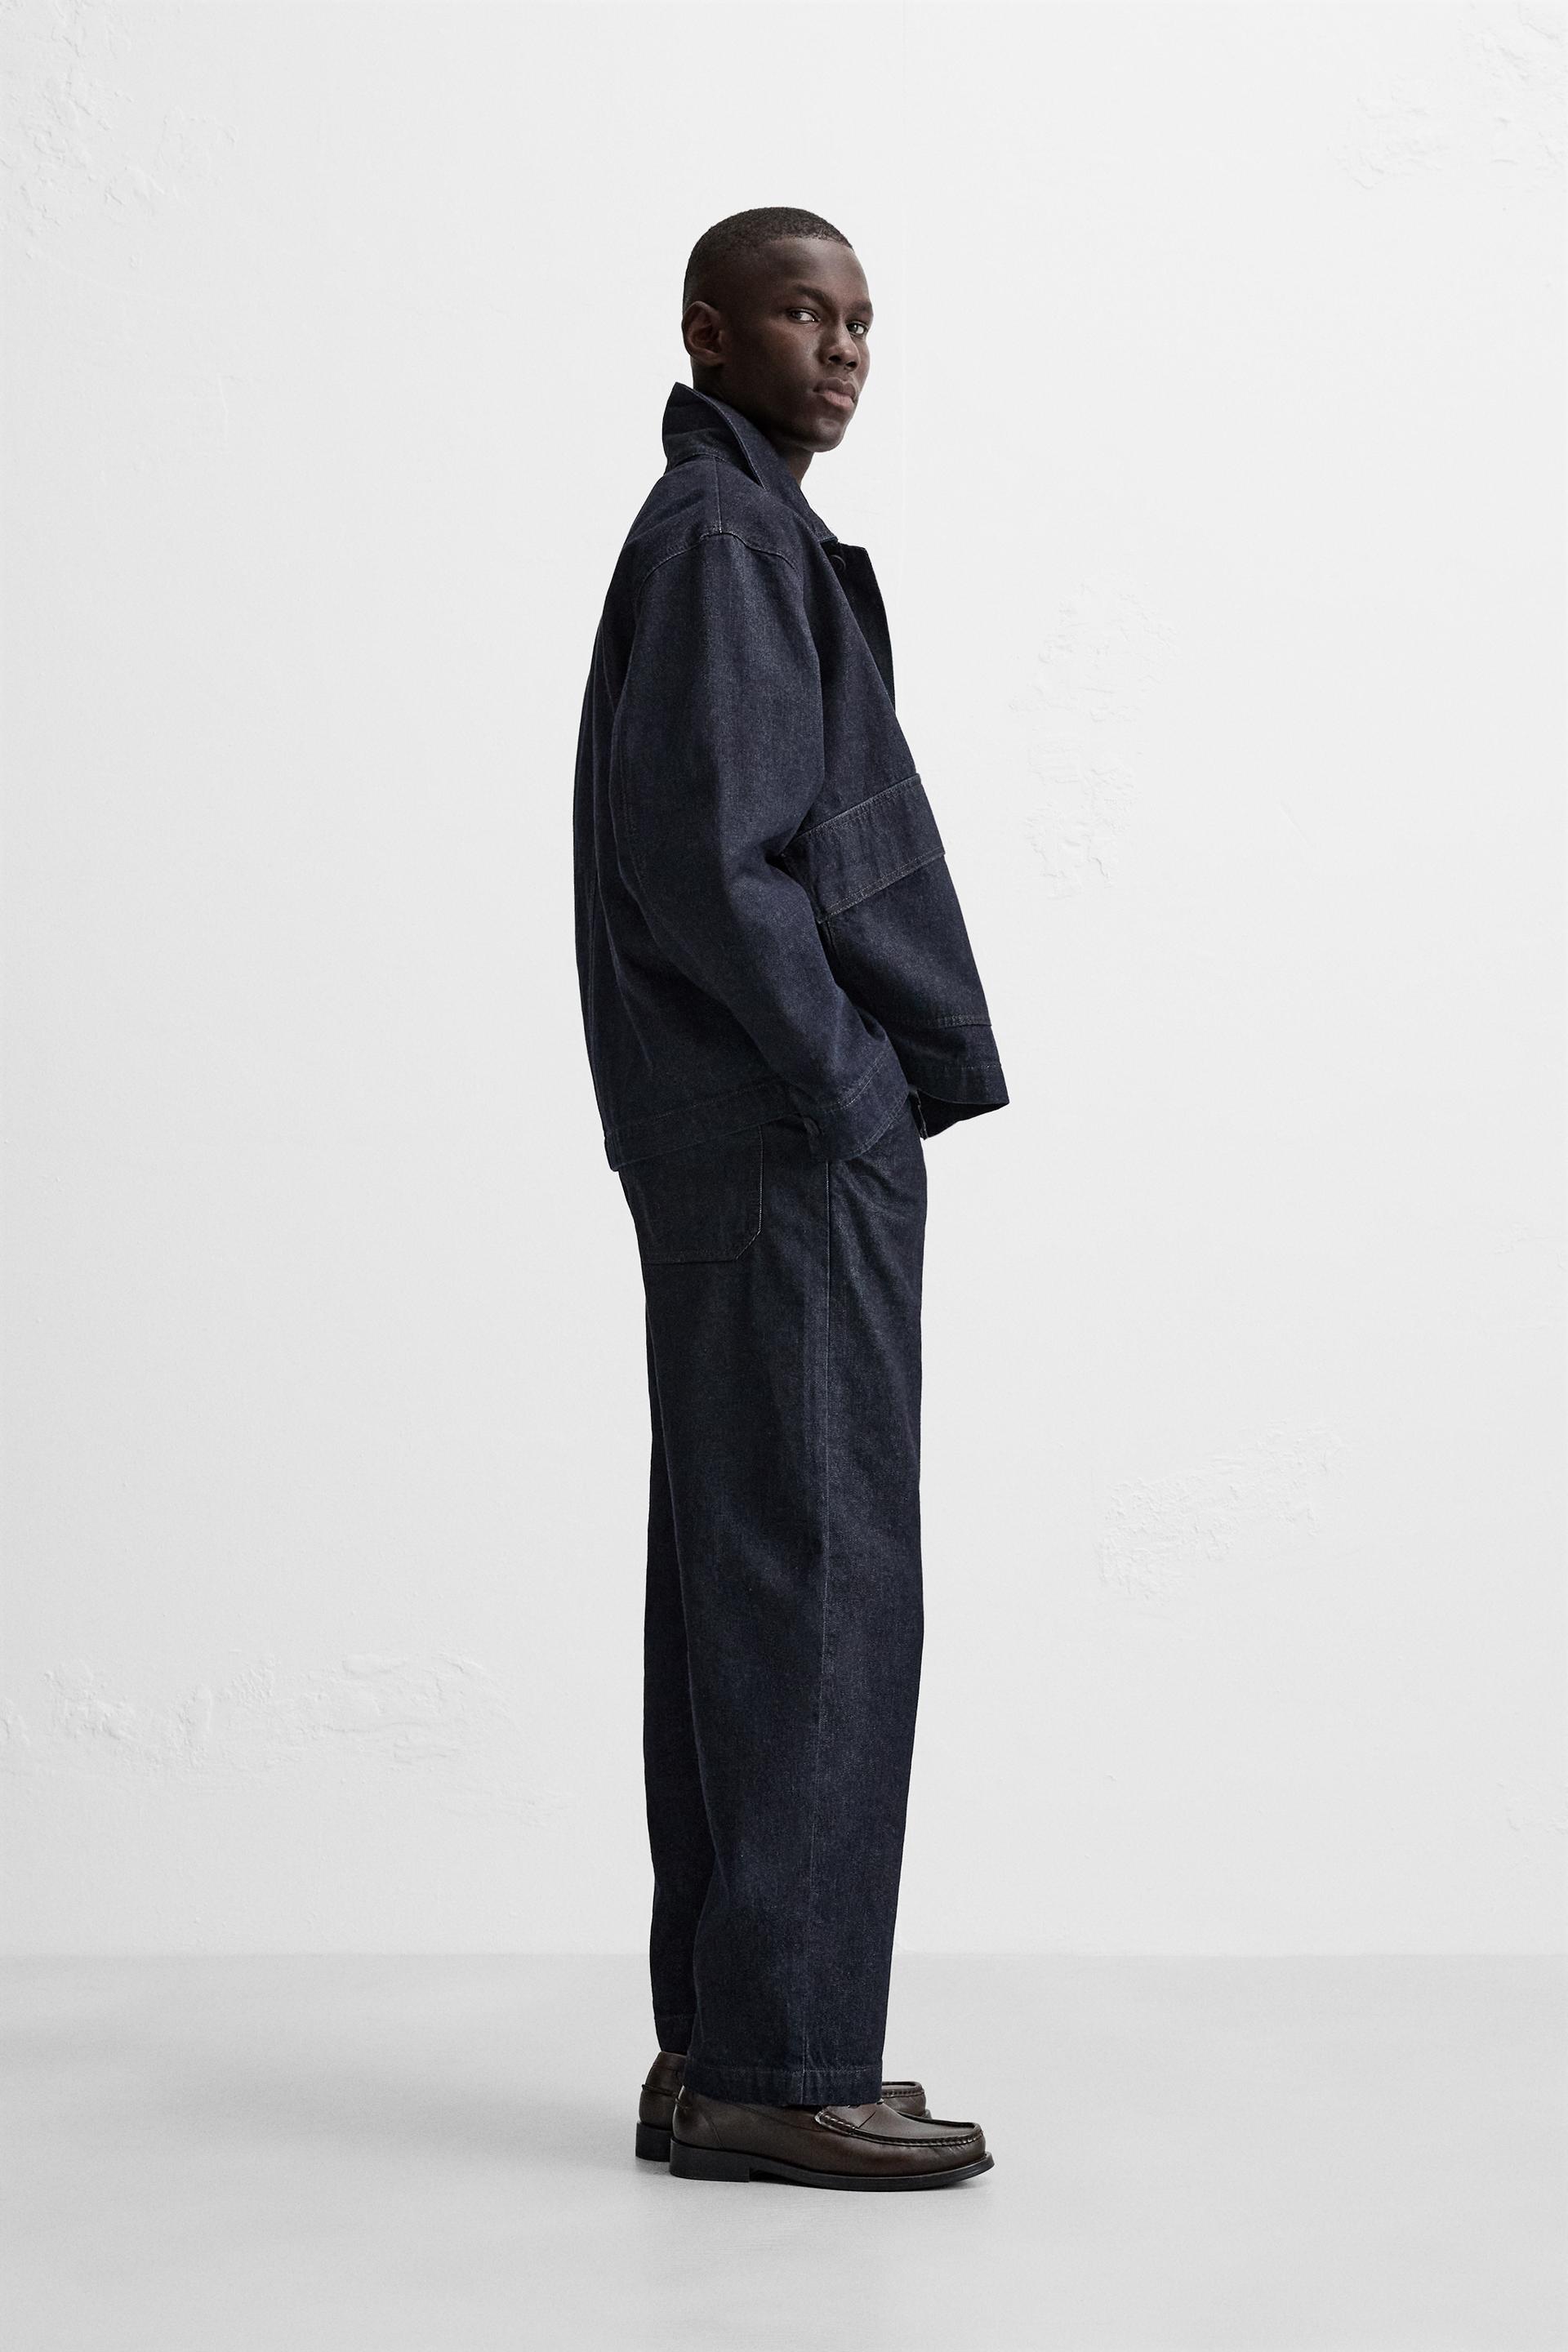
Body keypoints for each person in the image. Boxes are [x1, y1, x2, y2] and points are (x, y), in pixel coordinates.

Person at [571, 207, 1009, 2190]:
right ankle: (785, 2065)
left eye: (860, 321)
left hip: (740, 1141)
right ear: (707, 332)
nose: (840, 349)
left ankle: (725, 2051)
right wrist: (851, 1087)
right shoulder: (729, 541)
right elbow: (710, 857)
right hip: (778, 1141)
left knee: (741, 1587)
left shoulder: (722, 534)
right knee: (819, 1580)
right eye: (800, 313)